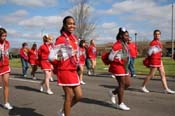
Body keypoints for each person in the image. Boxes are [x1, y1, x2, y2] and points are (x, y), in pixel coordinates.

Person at [49, 16, 82, 116]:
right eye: (69, 23)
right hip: (64, 70)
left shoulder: (74, 38)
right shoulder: (61, 39)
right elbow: (51, 57)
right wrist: (60, 62)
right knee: (69, 96)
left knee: (79, 96)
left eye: (73, 23)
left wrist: (78, 64)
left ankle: (62, 111)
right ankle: (65, 113)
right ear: (64, 25)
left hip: (73, 70)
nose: (72, 25)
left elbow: (74, 53)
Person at [141, 29, 175, 94]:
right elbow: (149, 53)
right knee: (151, 75)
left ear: (160, 35)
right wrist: (153, 53)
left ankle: (166, 89)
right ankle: (143, 86)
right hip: (154, 60)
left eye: (158, 34)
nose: (157, 35)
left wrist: (160, 53)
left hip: (159, 60)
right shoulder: (153, 42)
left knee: (163, 74)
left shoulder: (159, 42)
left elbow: (159, 50)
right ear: (154, 35)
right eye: (156, 34)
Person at [108, 27, 131, 110]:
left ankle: (113, 92)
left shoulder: (125, 44)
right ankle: (120, 103)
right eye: (126, 36)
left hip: (124, 67)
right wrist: (119, 60)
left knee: (127, 84)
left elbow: (126, 55)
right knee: (122, 84)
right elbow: (110, 57)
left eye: (128, 36)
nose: (127, 37)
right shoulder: (117, 45)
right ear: (121, 36)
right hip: (118, 66)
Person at [0, 27, 13, 109]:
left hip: (5, 66)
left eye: (5, 36)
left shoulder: (7, 43)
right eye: (3, 36)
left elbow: (6, 54)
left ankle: (6, 102)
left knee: (6, 84)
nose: (4, 38)